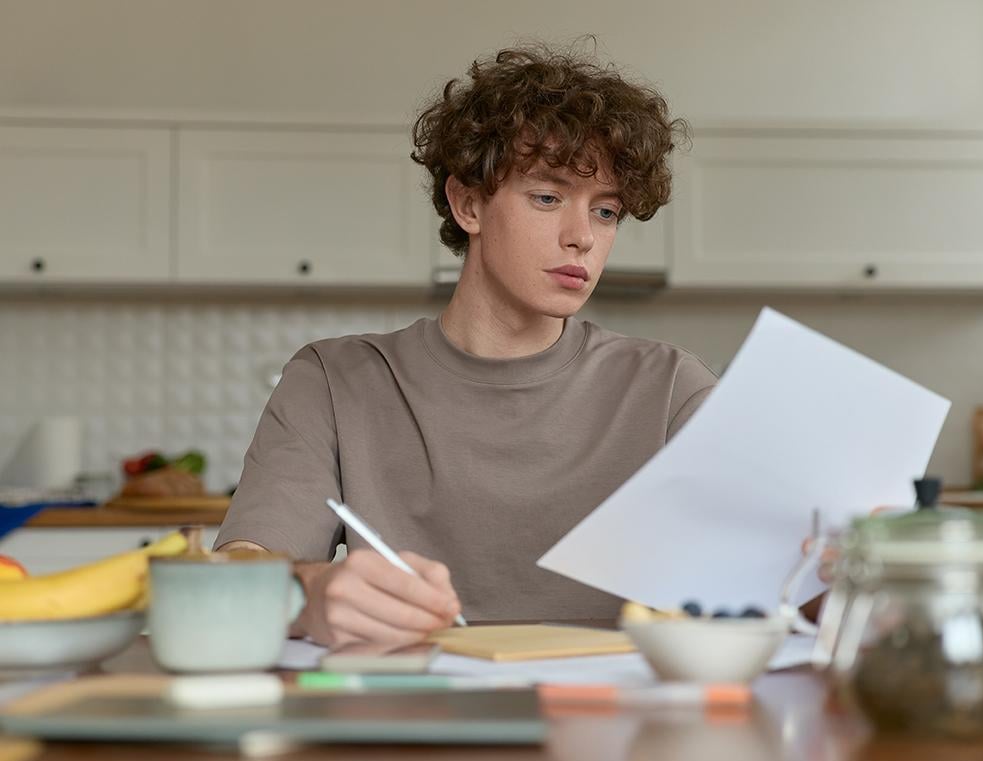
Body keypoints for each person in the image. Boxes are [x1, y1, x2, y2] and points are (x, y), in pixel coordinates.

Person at [214, 43, 718, 649]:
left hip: (618, 728)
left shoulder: (671, 389)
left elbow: (770, 585)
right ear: (469, 203)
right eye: (548, 197)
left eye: (606, 211)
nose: (582, 237)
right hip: (407, 721)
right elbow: (239, 569)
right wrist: (302, 595)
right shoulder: (333, 379)